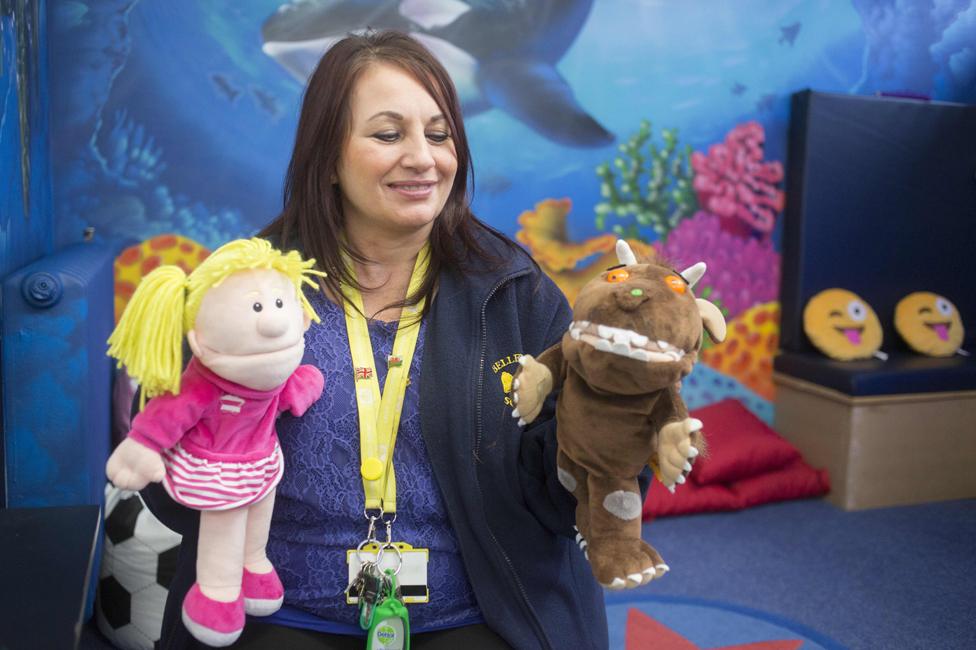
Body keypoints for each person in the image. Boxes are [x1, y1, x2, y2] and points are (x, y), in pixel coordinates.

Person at [144, 30, 641, 649]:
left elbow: (558, 498)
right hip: (281, 604)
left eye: (438, 134)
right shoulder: (246, 288)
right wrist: (198, 446)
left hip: (473, 609)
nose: (423, 158)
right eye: (388, 134)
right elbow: (169, 490)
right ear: (327, 156)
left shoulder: (513, 292)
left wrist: (615, 432)